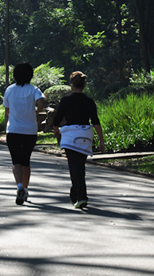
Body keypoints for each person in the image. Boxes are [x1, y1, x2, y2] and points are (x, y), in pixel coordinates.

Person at [52, 71, 105, 209]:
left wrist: (56, 129)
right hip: (85, 136)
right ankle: (75, 194)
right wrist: (101, 140)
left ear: (71, 84)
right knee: (79, 166)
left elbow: (57, 118)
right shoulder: (89, 101)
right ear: (83, 85)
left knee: (75, 167)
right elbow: (95, 121)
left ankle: (81, 197)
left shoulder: (66, 99)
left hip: (71, 136)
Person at [2, 62, 46, 205]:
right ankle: (25, 190)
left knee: (16, 161)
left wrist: (14, 113)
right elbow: (41, 103)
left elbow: (7, 110)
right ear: (30, 75)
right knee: (26, 160)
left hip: (13, 130)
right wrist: (35, 112)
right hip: (29, 131)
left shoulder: (9, 90)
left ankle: (19, 187)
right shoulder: (34, 89)